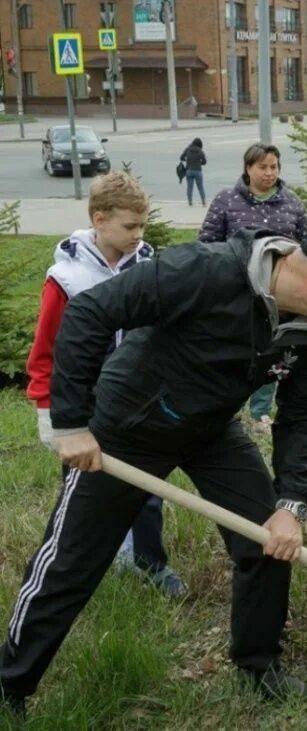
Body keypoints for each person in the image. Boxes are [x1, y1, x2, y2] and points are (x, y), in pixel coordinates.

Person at [0, 221, 307, 719]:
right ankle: (10, 684)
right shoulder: (202, 271)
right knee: (71, 563)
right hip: (127, 428)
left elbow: (300, 417)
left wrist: (291, 504)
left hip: (210, 429)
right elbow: (89, 312)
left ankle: (259, 666)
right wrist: (72, 423)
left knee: (267, 539)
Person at [24, 171, 187, 599]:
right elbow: (46, 348)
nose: (139, 234)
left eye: (144, 225)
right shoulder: (66, 278)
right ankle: (86, 566)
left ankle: (152, 564)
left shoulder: (149, 267)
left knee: (147, 490)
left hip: (137, 401)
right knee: (84, 493)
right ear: (100, 219)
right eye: (130, 226)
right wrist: (49, 409)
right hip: (84, 404)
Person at [199, 143, 307, 435]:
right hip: (235, 290)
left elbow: (305, 246)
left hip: (277, 296)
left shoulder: (292, 204)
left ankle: (260, 411)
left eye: (274, 167)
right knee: (234, 349)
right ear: (248, 168)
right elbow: (207, 243)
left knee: (272, 350)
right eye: (262, 167)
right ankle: (227, 406)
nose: (269, 173)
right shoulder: (226, 201)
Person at [180, 137, 207, 207]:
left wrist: (187, 160)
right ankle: (203, 202)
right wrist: (199, 163)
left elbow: (181, 157)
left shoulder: (188, 149)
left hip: (189, 171)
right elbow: (204, 162)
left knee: (189, 187)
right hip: (198, 171)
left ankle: (190, 202)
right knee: (200, 187)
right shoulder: (200, 151)